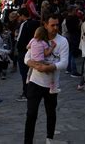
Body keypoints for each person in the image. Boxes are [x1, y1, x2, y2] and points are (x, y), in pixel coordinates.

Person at [24, 14, 69, 144]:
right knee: (31, 114)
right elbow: (26, 58)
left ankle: (50, 139)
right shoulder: (38, 39)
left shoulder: (62, 41)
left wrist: (48, 68)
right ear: (45, 25)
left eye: (57, 25)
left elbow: (64, 63)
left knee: (51, 113)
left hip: (51, 84)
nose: (55, 28)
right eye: (52, 25)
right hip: (35, 82)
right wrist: (36, 65)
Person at [15, 8, 40, 102]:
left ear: (22, 15)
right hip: (35, 51)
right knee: (33, 73)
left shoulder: (24, 24)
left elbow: (20, 39)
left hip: (25, 51)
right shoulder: (36, 23)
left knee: (24, 74)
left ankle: (26, 93)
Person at [26, 27, 59, 93]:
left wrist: (32, 48)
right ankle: (53, 88)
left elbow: (27, 47)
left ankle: (28, 79)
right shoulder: (43, 43)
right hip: (41, 61)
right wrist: (52, 47)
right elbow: (47, 54)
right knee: (51, 70)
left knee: (31, 68)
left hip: (33, 60)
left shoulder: (32, 40)